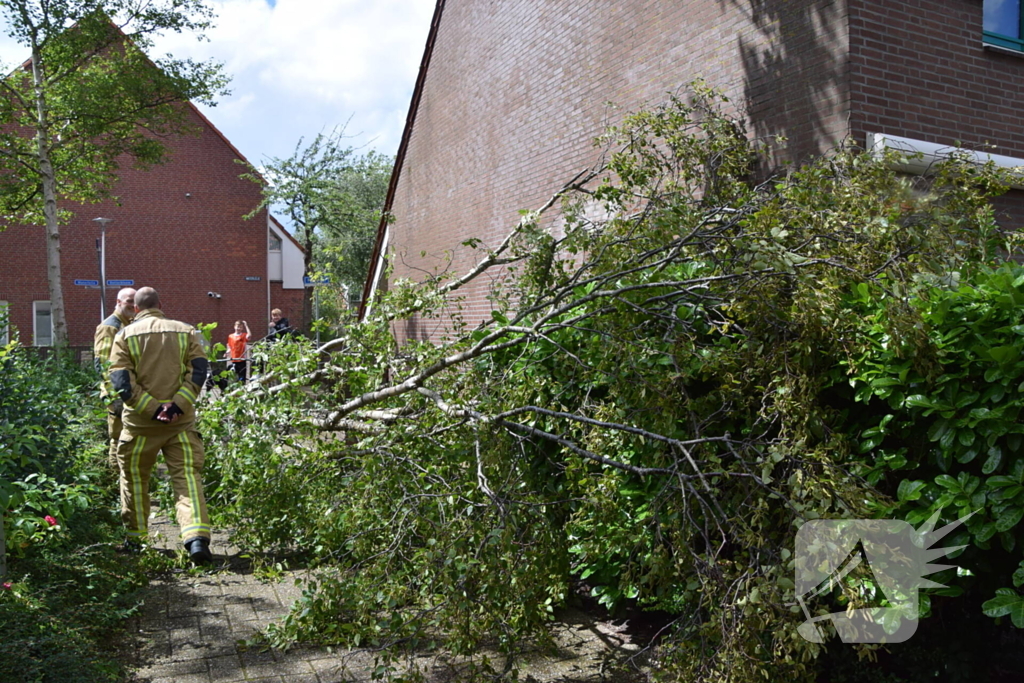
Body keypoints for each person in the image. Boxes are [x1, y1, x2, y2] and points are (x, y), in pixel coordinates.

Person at [108, 287, 213, 564]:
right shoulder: (186, 331)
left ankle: (137, 540)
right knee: (187, 480)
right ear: (160, 304)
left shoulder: (123, 335)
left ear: (137, 308)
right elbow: (199, 371)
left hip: (140, 427)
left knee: (134, 480)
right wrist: (176, 405)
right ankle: (196, 541)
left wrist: (154, 410)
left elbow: (121, 382)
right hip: (180, 424)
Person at [93, 287, 136, 468]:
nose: (133, 305)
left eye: (136, 302)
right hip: (117, 392)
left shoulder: (127, 324)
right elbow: (103, 364)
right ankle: (114, 478)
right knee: (117, 438)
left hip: (126, 389)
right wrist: (115, 394)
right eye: (129, 301)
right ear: (118, 302)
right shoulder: (110, 326)